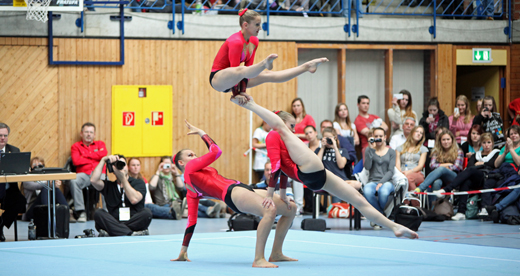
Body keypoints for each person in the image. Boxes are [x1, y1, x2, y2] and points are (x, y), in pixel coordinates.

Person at [230, 96, 418, 239]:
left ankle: (393, 226)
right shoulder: (274, 135)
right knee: (282, 131)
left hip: (315, 175)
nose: (294, 130)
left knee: (358, 200)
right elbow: (277, 167)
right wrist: (272, 196)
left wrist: (280, 195)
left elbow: (283, 169)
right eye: (292, 125)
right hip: (307, 170)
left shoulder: (284, 136)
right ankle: (250, 104)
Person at [171, 121, 297, 268]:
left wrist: (183, 251)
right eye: (190, 155)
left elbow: (191, 222)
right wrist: (201, 133)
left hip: (242, 188)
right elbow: (216, 151)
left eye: (195, 154)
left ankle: (276, 253)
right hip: (233, 194)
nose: (195, 156)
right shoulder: (190, 168)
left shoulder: (191, 191)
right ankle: (258, 259)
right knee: (269, 210)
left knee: (291, 209)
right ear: (181, 162)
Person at [209, 9, 328, 103]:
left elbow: (248, 70)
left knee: (268, 74)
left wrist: (243, 91)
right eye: (257, 25)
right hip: (219, 79)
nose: (260, 28)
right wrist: (237, 94)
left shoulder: (254, 41)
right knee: (242, 70)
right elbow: (236, 71)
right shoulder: (236, 42)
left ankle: (306, 67)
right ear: (245, 25)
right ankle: (263, 64)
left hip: (237, 77)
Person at [433, 133, 500, 220]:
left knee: (471, 170)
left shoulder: (496, 153)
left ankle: (446, 189)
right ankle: (461, 212)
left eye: (489, 142)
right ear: (481, 144)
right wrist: (481, 165)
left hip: (487, 177)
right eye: (484, 143)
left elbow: (493, 164)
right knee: (465, 181)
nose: (486, 145)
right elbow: (470, 166)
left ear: (492, 143)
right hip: (475, 178)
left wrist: (480, 164)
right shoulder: (476, 155)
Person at [90, 155, 152, 237]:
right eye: (118, 165)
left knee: (147, 213)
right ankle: (131, 233)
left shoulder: (139, 183)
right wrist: (102, 160)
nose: (121, 167)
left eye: (123, 164)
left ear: (127, 167)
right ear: (112, 168)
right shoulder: (109, 186)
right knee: (98, 213)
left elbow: (134, 199)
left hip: (133, 220)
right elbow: (93, 180)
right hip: (115, 220)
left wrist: (123, 179)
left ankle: (114, 231)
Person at [69, 122, 107, 222]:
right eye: (86, 132)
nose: (89, 134)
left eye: (91, 132)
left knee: (106, 182)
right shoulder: (75, 146)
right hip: (84, 175)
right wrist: (95, 156)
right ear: (81, 133)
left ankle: (108, 212)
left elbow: (104, 155)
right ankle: (81, 212)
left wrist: (85, 155)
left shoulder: (100, 144)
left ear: (94, 134)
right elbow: (76, 161)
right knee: (74, 181)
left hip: (99, 175)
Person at [479, 125, 520, 216]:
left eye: (516, 133)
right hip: (501, 171)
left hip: (513, 173)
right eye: (511, 134)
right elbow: (496, 164)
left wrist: (511, 149)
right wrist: (505, 152)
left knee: (499, 184)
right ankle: (484, 208)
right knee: (488, 183)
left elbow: (519, 163)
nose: (513, 135)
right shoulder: (504, 148)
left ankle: (496, 209)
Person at [414, 130, 464, 205]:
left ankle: (420, 188)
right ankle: (434, 209)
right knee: (436, 182)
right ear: (440, 141)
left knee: (441, 169)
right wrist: (447, 164)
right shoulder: (436, 151)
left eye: (448, 139)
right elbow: (432, 165)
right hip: (440, 177)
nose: (446, 142)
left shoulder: (458, 151)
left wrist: (442, 168)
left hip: (453, 178)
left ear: (452, 140)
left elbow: (456, 167)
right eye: (443, 140)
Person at [316, 127, 361, 203]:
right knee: (333, 188)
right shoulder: (319, 151)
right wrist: (322, 148)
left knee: (358, 184)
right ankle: (343, 206)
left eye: (329, 138)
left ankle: (339, 207)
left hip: (342, 180)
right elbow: (317, 164)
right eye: (325, 138)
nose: (328, 140)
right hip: (328, 181)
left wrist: (335, 147)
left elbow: (341, 165)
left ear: (335, 138)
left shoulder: (342, 151)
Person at [363, 127, 396, 229]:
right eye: (376, 136)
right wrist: (370, 150)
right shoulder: (369, 150)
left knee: (384, 192)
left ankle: (377, 219)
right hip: (372, 181)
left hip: (387, 181)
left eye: (380, 136)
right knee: (367, 191)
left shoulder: (391, 152)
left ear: (385, 137)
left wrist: (381, 182)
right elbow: (367, 167)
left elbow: (391, 171)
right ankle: (382, 216)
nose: (378, 138)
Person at [0, 122, 26, 242]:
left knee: (21, 201)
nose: (2, 138)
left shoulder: (14, 150)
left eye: (5, 135)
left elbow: (19, 170)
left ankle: (0, 225)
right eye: (0, 135)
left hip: (9, 190)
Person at [22, 157, 69, 221]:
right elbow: (36, 186)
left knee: (55, 190)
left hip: (44, 209)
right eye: (34, 164)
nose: (37, 166)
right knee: (45, 188)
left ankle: (67, 212)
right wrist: (51, 183)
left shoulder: (47, 177)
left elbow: (51, 185)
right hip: (31, 210)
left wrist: (55, 184)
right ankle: (47, 215)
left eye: (39, 164)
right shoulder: (26, 179)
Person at [395, 126, 428, 191]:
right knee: (401, 179)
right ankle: (406, 200)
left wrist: (408, 172)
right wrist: (401, 173)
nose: (419, 134)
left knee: (408, 178)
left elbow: (420, 166)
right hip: (401, 172)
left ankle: (415, 200)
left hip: (417, 173)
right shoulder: (399, 148)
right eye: (417, 131)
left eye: (421, 133)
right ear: (412, 133)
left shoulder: (423, 149)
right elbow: (397, 164)